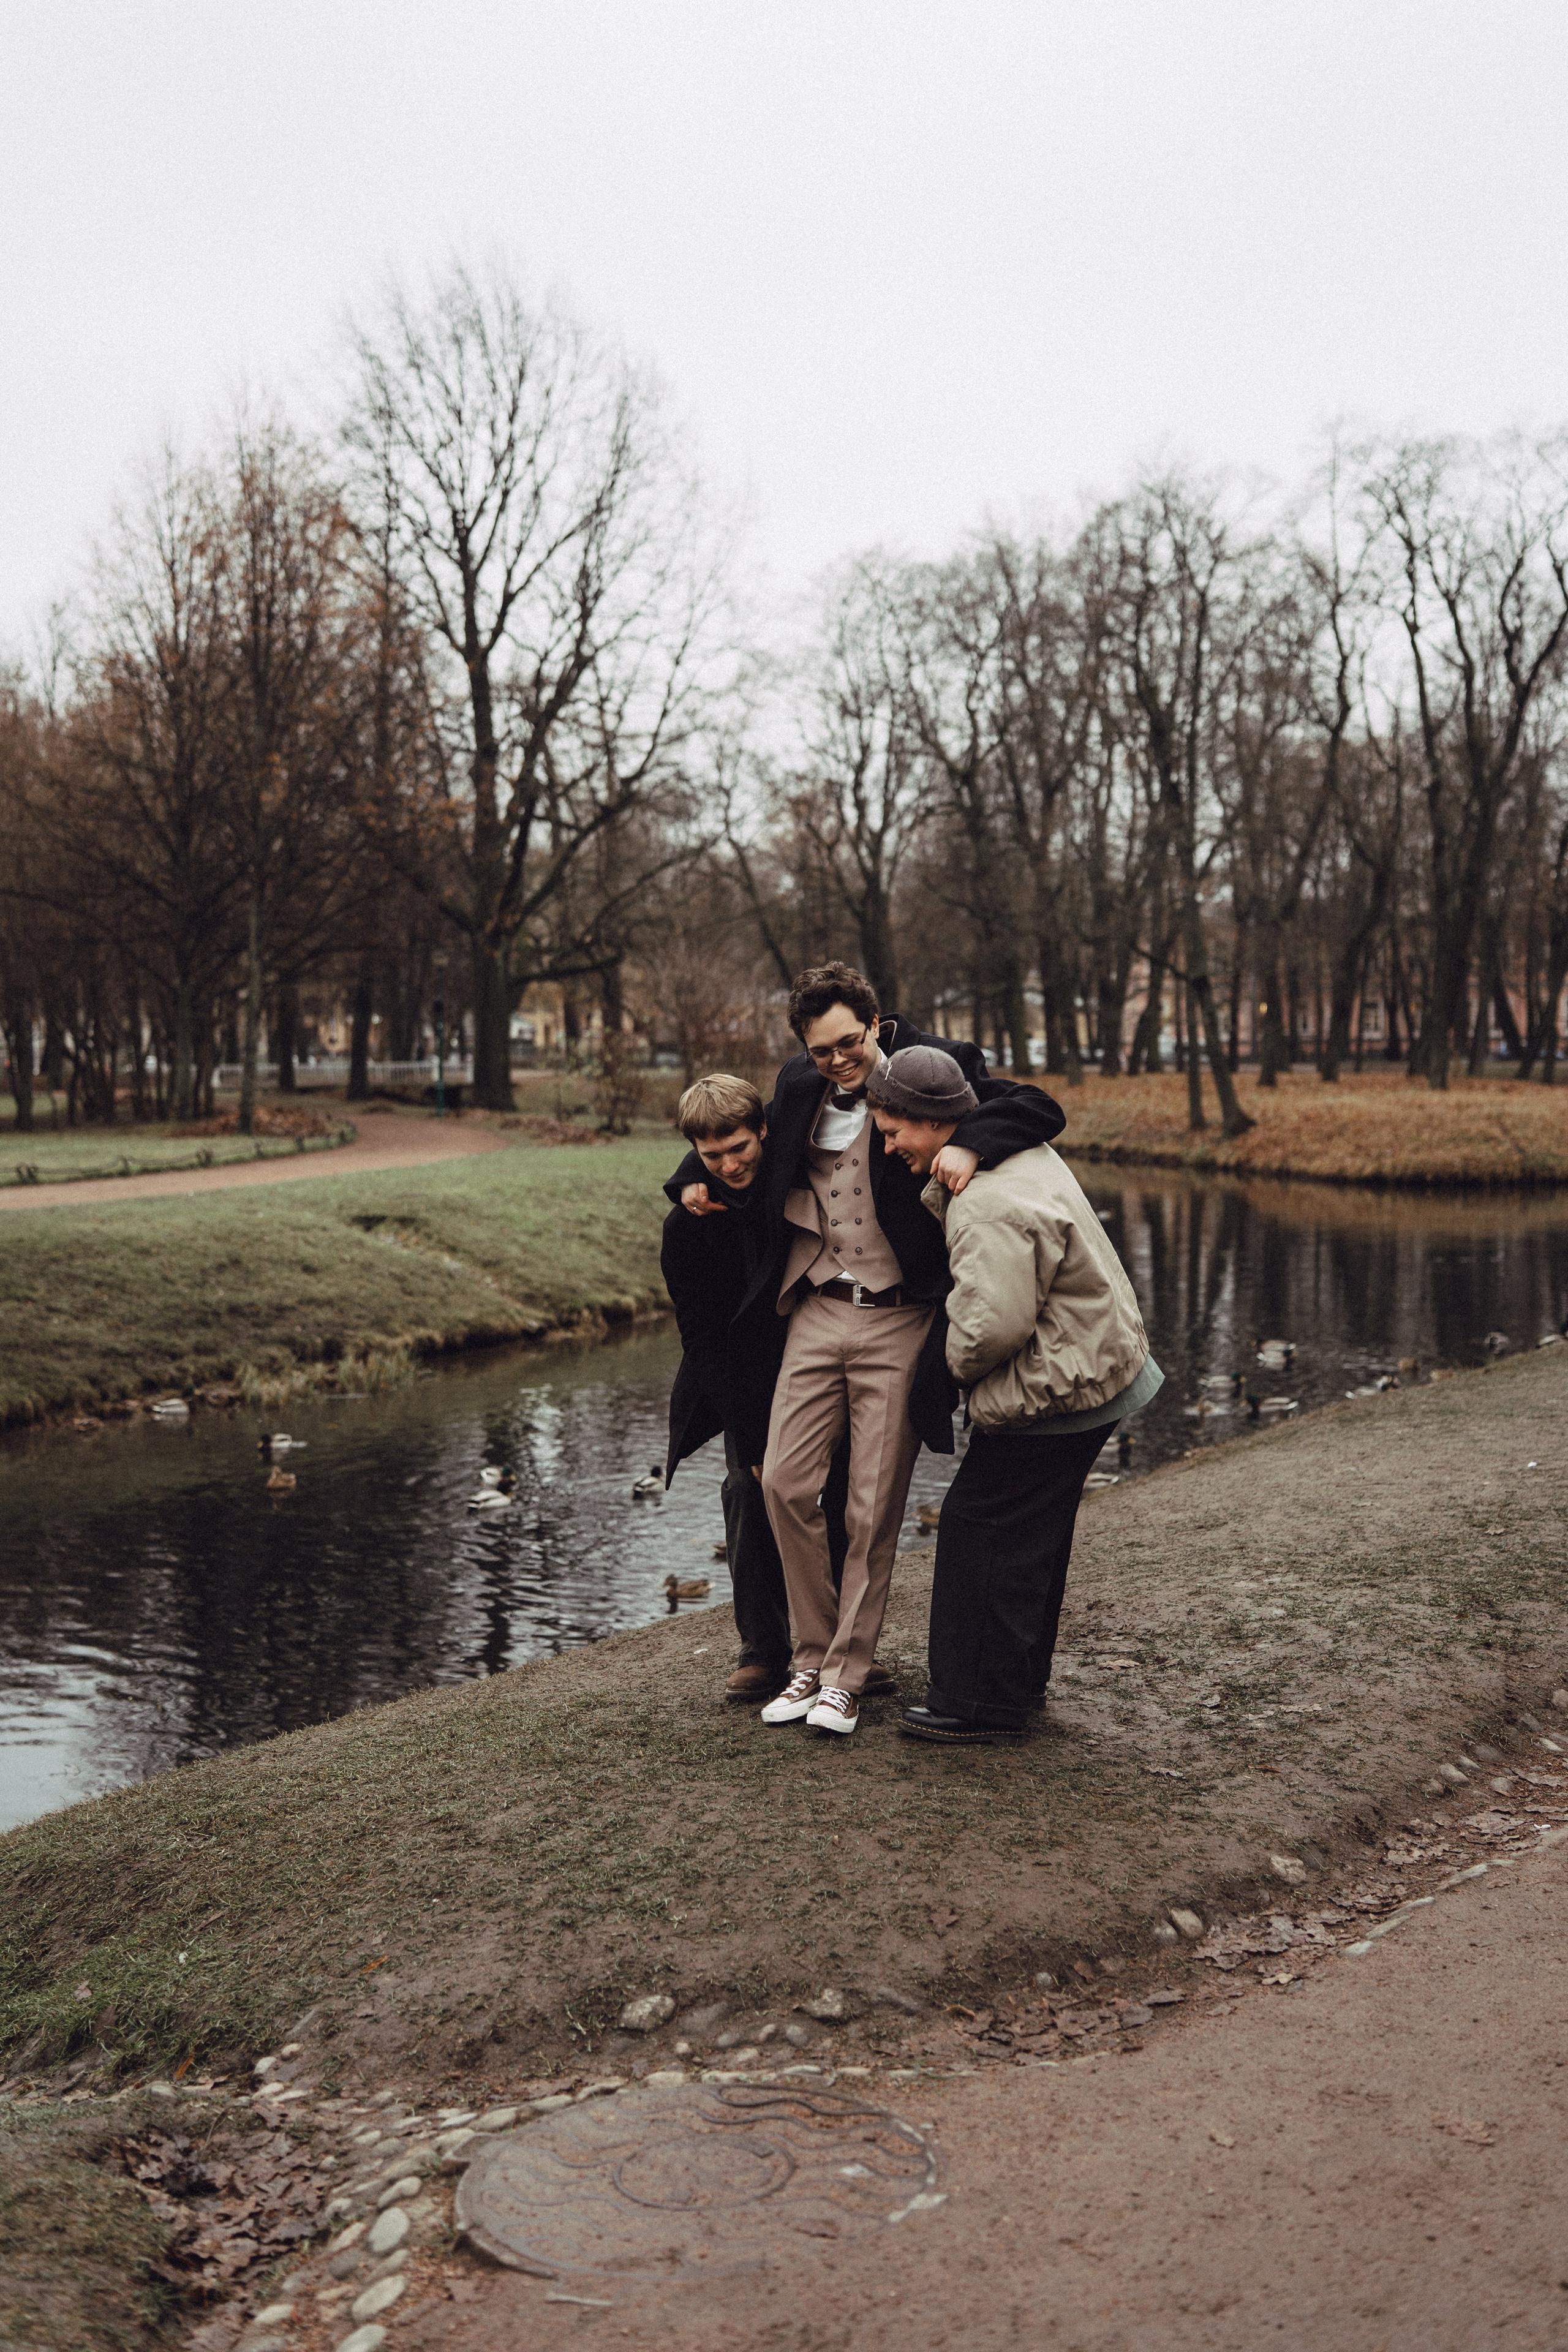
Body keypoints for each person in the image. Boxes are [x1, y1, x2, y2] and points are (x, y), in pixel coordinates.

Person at [665, 962, 1066, 1740]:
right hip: (814, 1306)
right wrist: (689, 1176)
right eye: (821, 1051)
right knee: (780, 1484)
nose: (838, 1061)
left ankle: (847, 1676)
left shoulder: (932, 1063)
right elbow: (735, 1137)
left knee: (871, 1505)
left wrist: (971, 1143)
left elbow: (1038, 1107)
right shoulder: (795, 1084)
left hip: (897, 1314)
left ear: (875, 1028)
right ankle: (806, 1660)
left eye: (849, 1043)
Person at [865, 1042, 1163, 1746]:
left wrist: (940, 1376)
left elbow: (990, 1329)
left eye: (892, 1131)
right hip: (1098, 1371)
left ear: (931, 1120)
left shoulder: (985, 1205)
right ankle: (1015, 1683)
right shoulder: (1012, 1150)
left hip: (1058, 1390)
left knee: (981, 1529)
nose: (887, 1147)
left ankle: (975, 1702)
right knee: (1031, 1538)